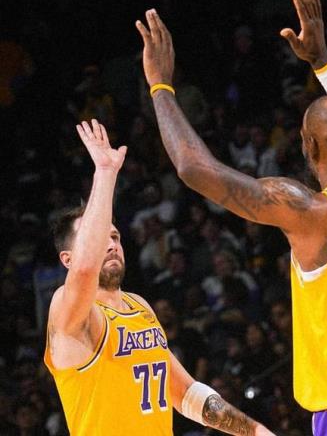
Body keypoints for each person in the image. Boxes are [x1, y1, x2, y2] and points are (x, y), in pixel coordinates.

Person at [135, 0, 327, 434]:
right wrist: (324, 63)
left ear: (308, 146)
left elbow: (193, 169)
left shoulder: (316, 213)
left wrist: (160, 88)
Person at [44, 119, 273, 436]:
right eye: (96, 237)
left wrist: (255, 431)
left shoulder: (139, 307)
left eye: (115, 236)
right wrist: (106, 173)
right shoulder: (67, 310)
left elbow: (187, 395)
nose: (109, 243)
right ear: (67, 259)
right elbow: (85, 269)